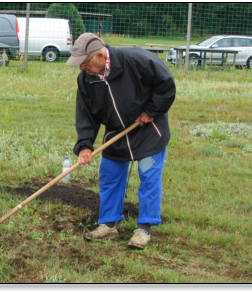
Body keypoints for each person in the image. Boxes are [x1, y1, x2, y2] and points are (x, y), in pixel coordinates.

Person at [65, 33, 176, 249]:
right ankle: (108, 225)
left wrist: (151, 110)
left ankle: (144, 228)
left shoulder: (136, 59)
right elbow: (85, 114)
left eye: (84, 63)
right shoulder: (86, 79)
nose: (81, 69)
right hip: (116, 134)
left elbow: (166, 84)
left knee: (148, 177)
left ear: (99, 56)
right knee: (109, 177)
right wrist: (85, 145)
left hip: (147, 129)